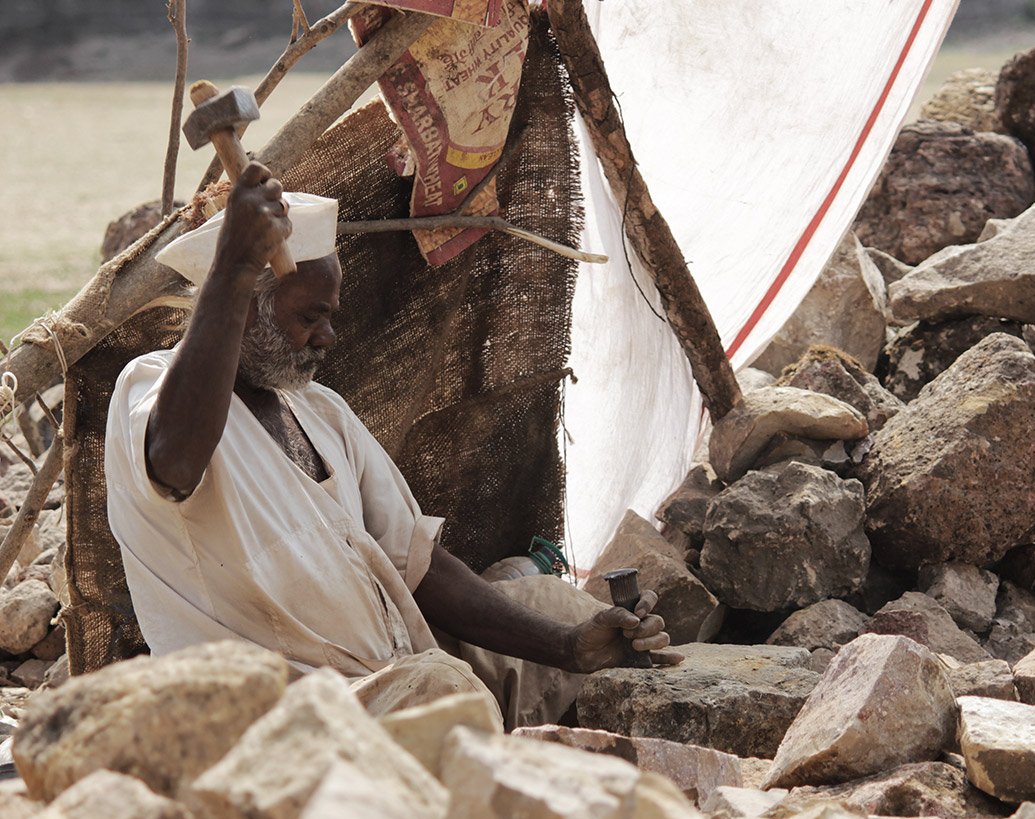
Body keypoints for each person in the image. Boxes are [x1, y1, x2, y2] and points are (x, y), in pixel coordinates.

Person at [104, 162, 679, 729]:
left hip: (392, 672)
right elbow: (173, 461)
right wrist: (234, 265)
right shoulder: (150, 391)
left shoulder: (319, 410)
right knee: (442, 693)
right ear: (245, 306)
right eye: (312, 316)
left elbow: (419, 567)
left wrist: (571, 646)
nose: (328, 336)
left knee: (560, 607)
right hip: (283, 719)